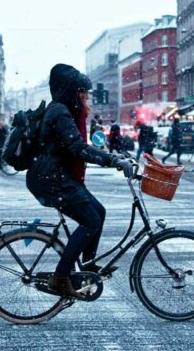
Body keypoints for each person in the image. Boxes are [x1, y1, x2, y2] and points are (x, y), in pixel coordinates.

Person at [26, 64, 133, 298]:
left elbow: (77, 146)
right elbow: (77, 148)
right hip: (52, 179)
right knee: (90, 221)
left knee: (99, 212)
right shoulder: (60, 112)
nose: (86, 97)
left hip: (59, 176)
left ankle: (88, 266)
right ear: (72, 91)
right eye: (83, 92)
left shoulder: (65, 110)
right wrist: (112, 160)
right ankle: (61, 277)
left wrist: (115, 157)